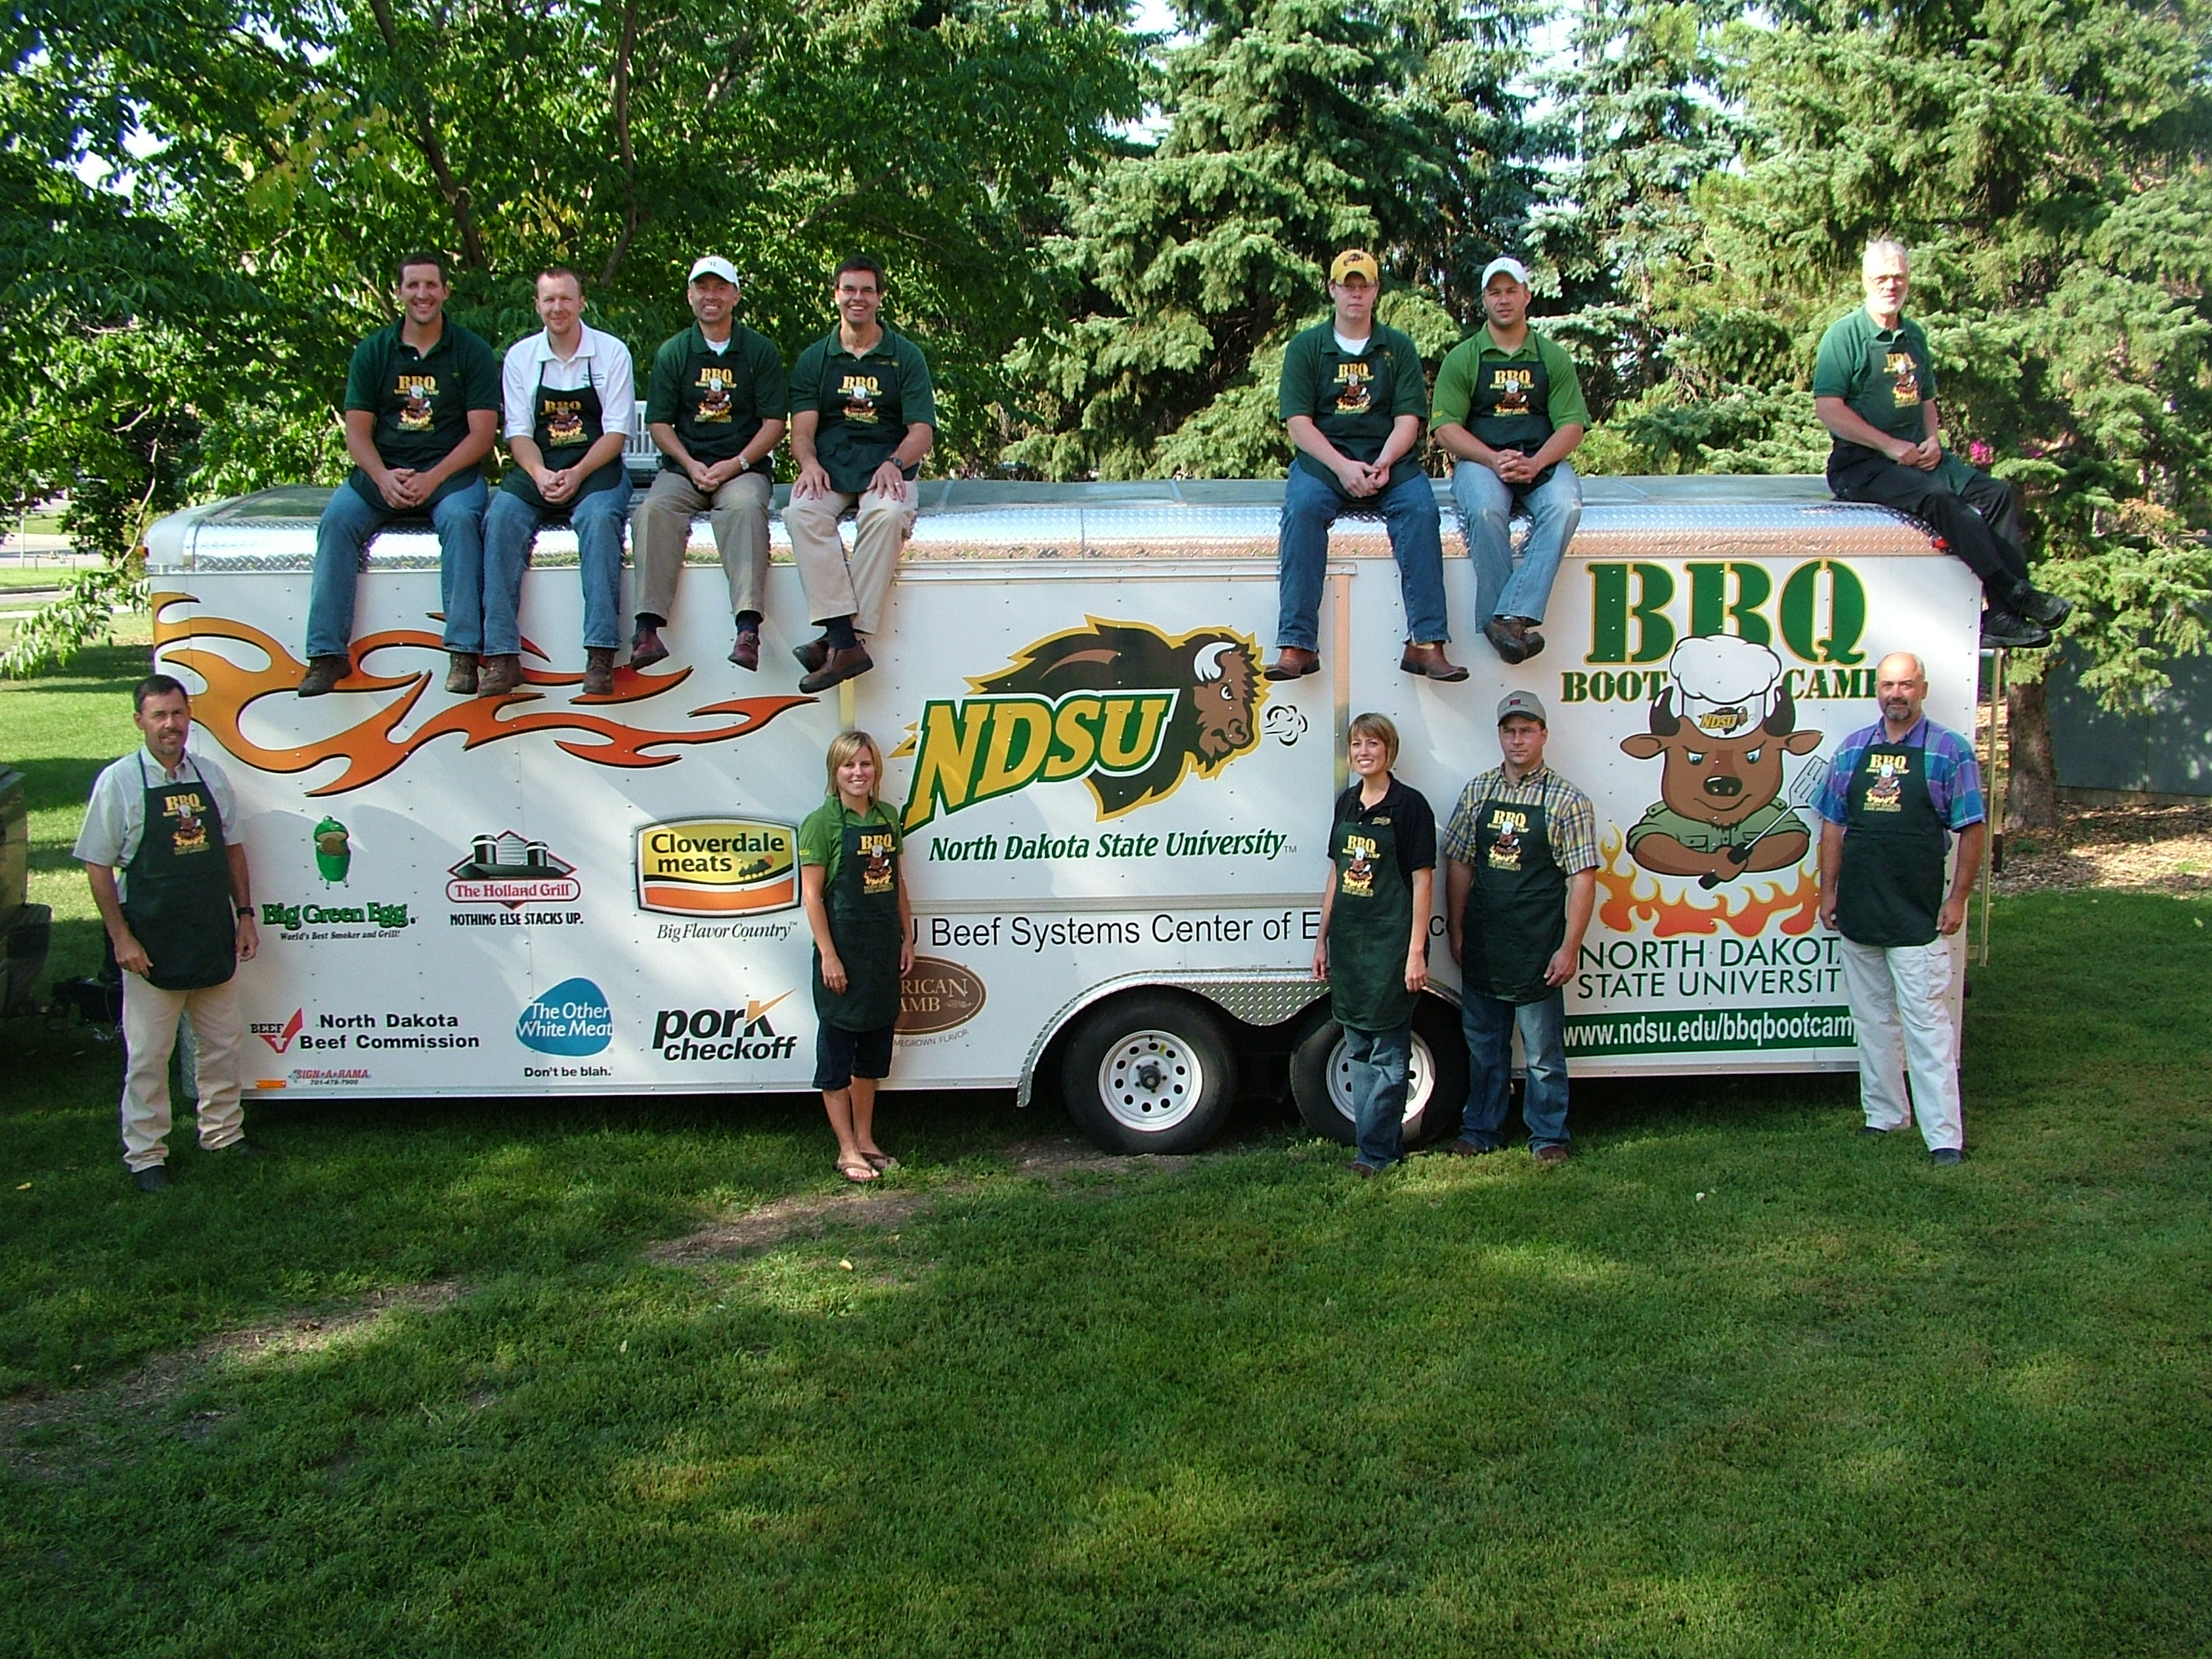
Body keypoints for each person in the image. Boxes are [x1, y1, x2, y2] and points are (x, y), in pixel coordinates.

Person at [1814, 240, 2071, 650]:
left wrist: (1932, 439)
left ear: (1908, 280)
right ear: (1865, 280)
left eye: (1898, 277)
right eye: (1882, 278)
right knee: (1940, 501)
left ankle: (2001, 617)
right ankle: (2014, 592)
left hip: (1919, 456)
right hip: (1862, 464)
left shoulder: (1913, 335)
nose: (1891, 285)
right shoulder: (1845, 336)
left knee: (1996, 495)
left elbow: (1926, 400)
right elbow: (1828, 408)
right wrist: (1888, 446)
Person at [74, 676, 260, 1191]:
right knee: (149, 1056)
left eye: (177, 713)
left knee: (221, 1045)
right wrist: (121, 939)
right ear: (140, 721)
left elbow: (233, 850)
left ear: (188, 716)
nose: (170, 725)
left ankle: (223, 1133)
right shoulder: (119, 782)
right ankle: (146, 1154)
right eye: (159, 715)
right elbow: (97, 866)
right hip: (151, 943)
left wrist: (245, 915)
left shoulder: (210, 776)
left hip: (210, 932)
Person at [301, 251, 500, 697]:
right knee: (336, 522)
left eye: (431, 285)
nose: (422, 294)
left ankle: (464, 653)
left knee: (463, 521)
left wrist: (433, 478)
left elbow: (482, 435)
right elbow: (356, 434)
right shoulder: (373, 351)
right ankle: (326, 653)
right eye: (413, 285)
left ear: (445, 291)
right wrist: (383, 477)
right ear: (399, 292)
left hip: (450, 476)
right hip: (382, 474)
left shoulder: (471, 351)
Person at [1814, 652, 1987, 1166]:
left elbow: (1972, 827)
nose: (1896, 694)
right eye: (1888, 685)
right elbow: (1833, 826)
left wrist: (1958, 897)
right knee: (1872, 1021)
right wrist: (1828, 892)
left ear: (1923, 689)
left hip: (1918, 914)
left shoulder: (1949, 751)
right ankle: (1884, 1114)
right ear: (1877, 690)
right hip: (1860, 908)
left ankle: (1944, 1138)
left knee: (1928, 1028)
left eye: (1906, 684)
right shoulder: (1852, 750)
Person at [1267, 249, 1464, 684]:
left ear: (1376, 291)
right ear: (1332, 289)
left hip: (1390, 462)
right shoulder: (1306, 348)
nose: (1355, 293)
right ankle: (1297, 644)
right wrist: (1341, 467)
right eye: (1347, 285)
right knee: (1301, 511)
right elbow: (1298, 424)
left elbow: (1408, 419)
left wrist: (1384, 462)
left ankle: (1427, 643)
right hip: (1325, 462)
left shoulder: (1398, 348)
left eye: (1364, 285)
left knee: (1421, 512)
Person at [1442, 690, 1599, 1166]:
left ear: (1543, 735)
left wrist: (1569, 947)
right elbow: (1460, 863)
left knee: (1543, 1055)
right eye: (1509, 731)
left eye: (1526, 731)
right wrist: (1456, 930)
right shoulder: (1478, 792)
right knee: (1484, 1049)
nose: (1517, 740)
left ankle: (1548, 1135)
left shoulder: (1568, 800)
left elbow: (1582, 878)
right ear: (1500, 735)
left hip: (1538, 949)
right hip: (1486, 944)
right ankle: (1480, 1129)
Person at [472, 267, 637, 697]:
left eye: (566, 298)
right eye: (549, 299)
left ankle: (600, 653)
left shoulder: (611, 353)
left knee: (600, 521)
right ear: (538, 306)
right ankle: (501, 656)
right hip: (538, 468)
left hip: (596, 468)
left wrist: (577, 473)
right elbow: (518, 433)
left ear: (581, 303)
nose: (558, 307)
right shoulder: (521, 357)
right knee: (500, 519)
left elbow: (617, 432)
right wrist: (540, 474)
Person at [786, 256, 937, 694]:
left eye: (867, 290)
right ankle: (845, 642)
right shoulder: (815, 359)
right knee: (800, 514)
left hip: (886, 466)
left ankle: (839, 639)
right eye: (849, 289)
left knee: (887, 517)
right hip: (830, 466)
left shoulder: (905, 356)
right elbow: (802, 431)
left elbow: (922, 431)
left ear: (880, 297)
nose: (858, 298)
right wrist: (809, 464)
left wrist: (895, 463)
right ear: (836, 294)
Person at [630, 256, 788, 673]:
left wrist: (737, 463)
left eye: (720, 288)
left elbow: (775, 423)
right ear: (690, 295)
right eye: (702, 288)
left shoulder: (758, 351)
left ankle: (747, 628)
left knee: (746, 509)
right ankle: (646, 630)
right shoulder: (674, 352)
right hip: (683, 470)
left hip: (743, 469)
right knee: (652, 511)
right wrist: (688, 463)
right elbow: (659, 423)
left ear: (735, 296)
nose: (711, 296)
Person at [1433, 256, 1590, 665]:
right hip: (1482, 462)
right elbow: (1445, 428)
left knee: (1566, 506)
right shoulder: (1464, 358)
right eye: (1494, 292)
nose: (1503, 300)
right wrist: (1491, 458)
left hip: (1541, 460)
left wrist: (1536, 464)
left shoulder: (1552, 358)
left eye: (1511, 291)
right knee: (1486, 510)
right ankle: (1509, 623)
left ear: (1526, 296)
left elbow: (1572, 425)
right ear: (1484, 300)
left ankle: (1507, 618)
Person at [1311, 712, 1436, 1175]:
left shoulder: (1410, 806)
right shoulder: (1346, 803)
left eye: (1373, 744)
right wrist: (1321, 940)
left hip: (1390, 946)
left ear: (1390, 751)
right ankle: (1374, 1146)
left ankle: (1377, 1152)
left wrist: (1416, 952)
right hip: (1349, 946)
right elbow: (1337, 873)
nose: (1364, 752)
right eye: (1357, 744)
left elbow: (1423, 881)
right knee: (1359, 1049)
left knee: (1387, 1054)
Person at [798, 729, 915, 1183]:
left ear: (876, 769)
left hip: (881, 954)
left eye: (865, 763)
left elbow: (897, 883)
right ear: (835, 771)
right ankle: (846, 1149)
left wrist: (907, 938)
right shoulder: (821, 823)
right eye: (848, 764)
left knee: (871, 1057)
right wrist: (829, 956)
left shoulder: (888, 817)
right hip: (842, 955)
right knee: (836, 1057)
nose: (858, 772)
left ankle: (866, 1140)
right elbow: (811, 896)